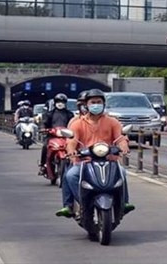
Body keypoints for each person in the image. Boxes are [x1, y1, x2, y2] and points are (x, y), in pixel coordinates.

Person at [56, 89, 134, 218]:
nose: (96, 105)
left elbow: (120, 138)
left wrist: (124, 147)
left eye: (99, 102)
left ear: (104, 104)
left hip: (109, 160)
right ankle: (80, 201)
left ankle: (124, 202)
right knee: (70, 175)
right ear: (86, 104)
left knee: (122, 173)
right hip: (83, 161)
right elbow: (72, 140)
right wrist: (72, 151)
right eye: (93, 102)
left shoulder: (112, 122)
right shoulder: (77, 123)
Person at [38, 93, 75, 176]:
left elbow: (73, 124)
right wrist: (43, 129)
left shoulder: (70, 114)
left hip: (66, 136)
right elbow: (44, 123)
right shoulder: (49, 114)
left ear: (65, 103)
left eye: (62, 102)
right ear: (54, 103)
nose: (60, 103)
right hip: (52, 136)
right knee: (44, 147)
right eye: (58, 101)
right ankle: (43, 165)